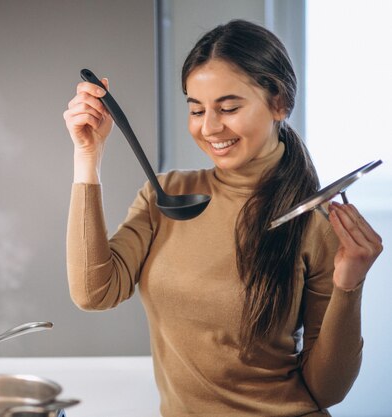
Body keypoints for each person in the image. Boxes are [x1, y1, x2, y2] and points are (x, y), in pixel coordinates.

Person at [62, 19, 383, 416]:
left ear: (279, 102)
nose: (210, 127)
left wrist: (350, 283)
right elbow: (94, 291)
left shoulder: (315, 222)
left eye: (229, 108)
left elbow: (326, 390)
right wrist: (88, 157)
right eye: (196, 110)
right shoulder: (165, 196)